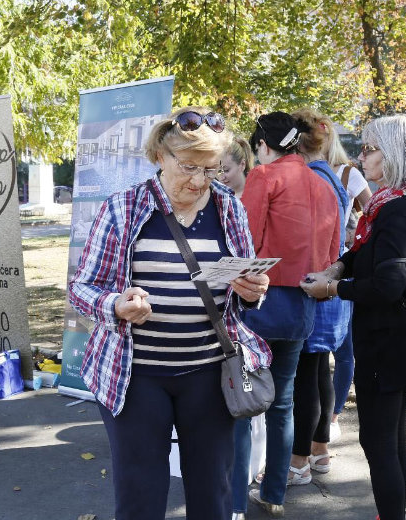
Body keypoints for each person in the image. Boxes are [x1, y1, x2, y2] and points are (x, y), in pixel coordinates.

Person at [68, 107, 272, 520]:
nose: (199, 182)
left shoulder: (229, 208)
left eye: (211, 170)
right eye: (190, 167)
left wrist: (253, 292)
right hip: (135, 374)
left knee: (212, 491)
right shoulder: (124, 208)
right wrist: (115, 305)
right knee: (140, 493)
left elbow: (242, 289)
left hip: (211, 373)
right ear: (160, 155)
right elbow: (81, 287)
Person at [301, 114, 406, 520]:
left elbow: (387, 285)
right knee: (391, 439)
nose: (362, 157)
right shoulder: (395, 203)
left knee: (379, 442)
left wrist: (333, 289)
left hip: (390, 343)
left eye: (370, 148)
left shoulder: (398, 210)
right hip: (400, 339)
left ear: (394, 154)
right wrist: (338, 268)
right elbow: (367, 254)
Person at [232, 111, 341, 518]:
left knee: (243, 404)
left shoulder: (265, 177)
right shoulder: (322, 183)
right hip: (302, 305)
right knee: (282, 402)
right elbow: (332, 256)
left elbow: (247, 242)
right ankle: (274, 494)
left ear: (262, 145)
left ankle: (233, 501)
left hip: (258, 303)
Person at [284, 107, 350, 484]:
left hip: (315, 285)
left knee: (304, 378)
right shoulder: (329, 174)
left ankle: (298, 461)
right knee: (318, 371)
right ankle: (320, 449)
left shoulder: (311, 178)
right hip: (329, 286)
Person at [326, 123, 371, 438]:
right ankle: (314, 421)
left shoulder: (347, 174)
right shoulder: (299, 172)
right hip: (310, 267)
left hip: (341, 266)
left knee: (344, 348)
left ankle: (333, 414)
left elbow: (374, 212)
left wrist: (355, 241)